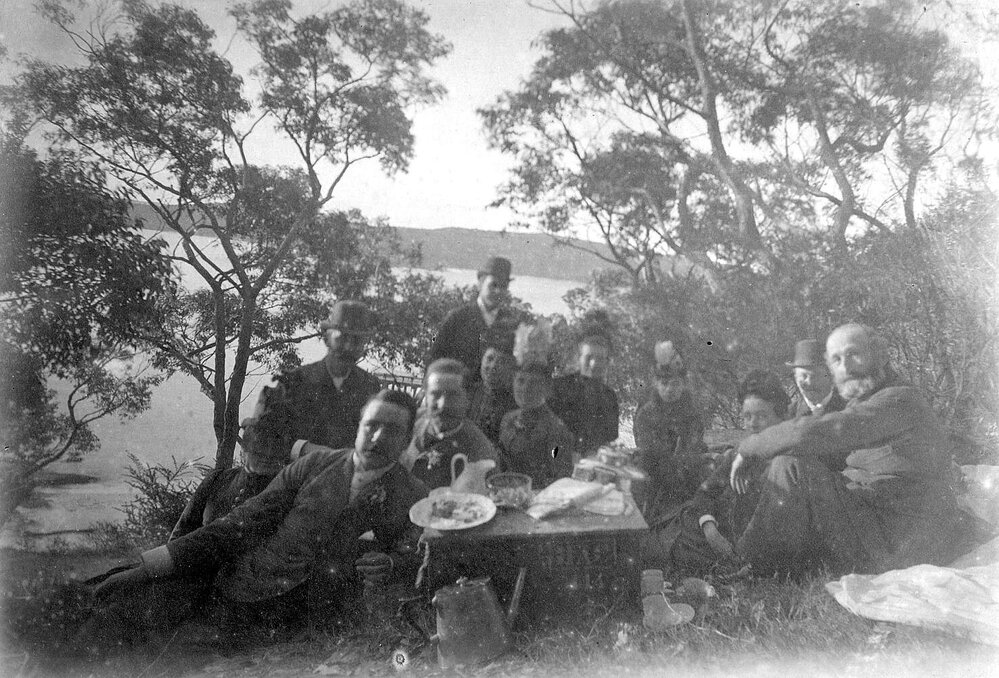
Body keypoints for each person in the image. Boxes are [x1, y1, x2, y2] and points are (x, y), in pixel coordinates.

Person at [80, 390, 427, 651]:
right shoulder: (314, 466)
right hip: (246, 589)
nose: (378, 437)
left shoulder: (413, 494)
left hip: (316, 614)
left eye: (393, 429)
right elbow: (237, 524)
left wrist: (393, 562)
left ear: (408, 438)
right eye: (372, 425)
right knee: (120, 607)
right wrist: (148, 566)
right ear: (358, 427)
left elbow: (415, 549)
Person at [730, 323, 963, 575]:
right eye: (837, 360)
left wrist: (749, 447)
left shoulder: (898, 399)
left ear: (881, 355)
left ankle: (748, 563)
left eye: (854, 354)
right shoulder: (866, 399)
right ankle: (754, 559)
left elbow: (822, 430)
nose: (846, 367)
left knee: (790, 466)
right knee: (793, 474)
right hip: (878, 520)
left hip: (901, 536)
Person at [646, 370, 790, 576]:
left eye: (762, 416)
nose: (753, 424)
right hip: (709, 534)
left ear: (781, 416)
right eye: (747, 416)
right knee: (653, 547)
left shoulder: (786, 465)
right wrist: (710, 529)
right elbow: (705, 493)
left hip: (744, 548)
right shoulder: (738, 454)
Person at [169, 386, 292, 541]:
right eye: (259, 435)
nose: (266, 447)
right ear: (247, 437)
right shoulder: (216, 480)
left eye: (275, 439)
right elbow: (178, 537)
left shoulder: (287, 493)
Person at [264, 300, 381, 459]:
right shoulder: (294, 381)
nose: (348, 347)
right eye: (342, 338)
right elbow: (265, 438)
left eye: (356, 341)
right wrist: (305, 449)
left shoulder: (370, 386)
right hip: (296, 478)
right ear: (326, 338)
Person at [633, 340, 708, 522]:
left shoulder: (692, 413)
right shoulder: (646, 414)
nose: (669, 389)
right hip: (655, 478)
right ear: (656, 383)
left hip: (687, 477)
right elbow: (649, 452)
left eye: (675, 383)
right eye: (664, 383)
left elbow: (693, 449)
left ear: (683, 383)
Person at [498, 320, 574, 488]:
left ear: (546, 388)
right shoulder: (508, 420)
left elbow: (559, 483)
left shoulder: (557, 432)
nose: (524, 389)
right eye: (521, 381)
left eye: (534, 383)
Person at [401, 358, 498, 489]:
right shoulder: (412, 422)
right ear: (426, 396)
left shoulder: (480, 452)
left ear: (467, 399)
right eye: (435, 394)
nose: (443, 404)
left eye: (452, 396)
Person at [427, 256, 520, 382]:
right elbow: (435, 359)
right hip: (458, 394)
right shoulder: (457, 318)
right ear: (480, 284)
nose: (498, 291)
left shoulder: (512, 324)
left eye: (503, 286)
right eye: (493, 285)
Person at [548, 310, 620, 457]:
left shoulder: (610, 397)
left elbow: (609, 443)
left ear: (607, 362)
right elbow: (548, 440)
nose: (594, 365)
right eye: (588, 357)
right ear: (578, 358)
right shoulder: (558, 388)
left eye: (600, 358)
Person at [466, 337, 518, 446]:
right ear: (482, 360)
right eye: (489, 359)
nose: (493, 366)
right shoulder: (466, 392)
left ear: (510, 368)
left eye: (501, 362)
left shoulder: (513, 404)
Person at [787, 339, 846, 418]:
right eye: (803, 376)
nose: (809, 382)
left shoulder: (848, 408)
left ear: (831, 376)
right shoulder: (789, 414)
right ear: (795, 378)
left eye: (816, 376)